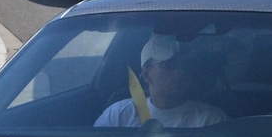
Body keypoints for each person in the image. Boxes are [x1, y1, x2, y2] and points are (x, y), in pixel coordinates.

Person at [95, 34, 230, 128]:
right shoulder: (118, 114)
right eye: (168, 65)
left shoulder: (211, 120)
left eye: (183, 65)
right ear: (146, 74)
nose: (179, 72)